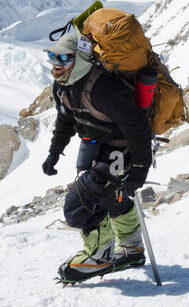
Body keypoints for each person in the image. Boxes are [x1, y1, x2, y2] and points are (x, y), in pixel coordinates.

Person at [41, 30, 154, 283]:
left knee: (77, 206)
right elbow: (66, 119)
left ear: (79, 60)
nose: (55, 65)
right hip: (97, 147)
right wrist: (54, 152)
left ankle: (99, 257)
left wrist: (138, 170)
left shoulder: (104, 88)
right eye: (52, 57)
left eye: (63, 59)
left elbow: (138, 128)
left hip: (122, 151)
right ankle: (132, 249)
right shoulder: (65, 85)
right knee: (113, 197)